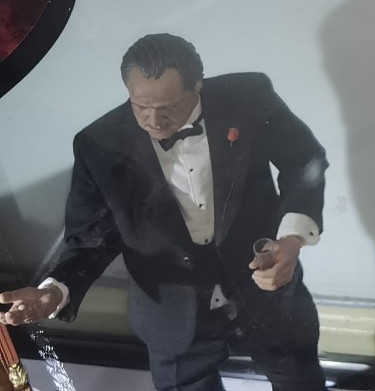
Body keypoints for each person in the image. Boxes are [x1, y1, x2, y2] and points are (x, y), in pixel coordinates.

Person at [0, 34, 329, 391]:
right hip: (173, 319)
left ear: (197, 86)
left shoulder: (248, 96)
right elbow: (91, 239)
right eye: (140, 105)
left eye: (169, 106)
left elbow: (303, 160)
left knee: (301, 382)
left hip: (266, 297)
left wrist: (291, 239)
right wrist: (55, 290)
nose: (154, 121)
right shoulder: (98, 144)